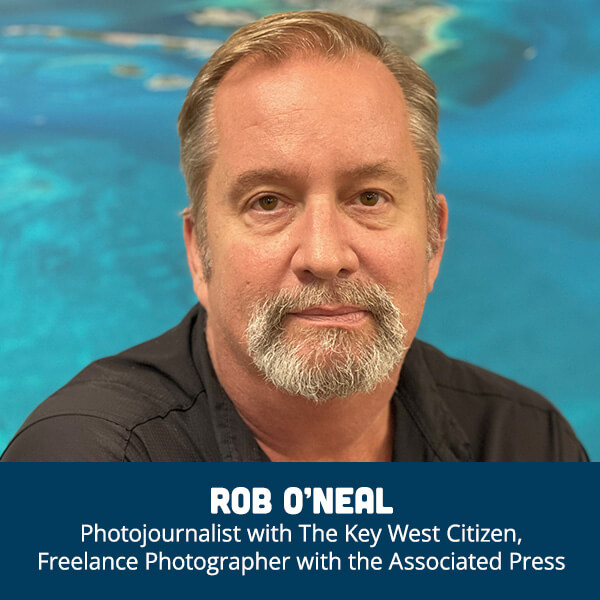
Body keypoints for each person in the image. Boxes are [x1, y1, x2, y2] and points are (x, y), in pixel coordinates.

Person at [1, 11, 588, 462]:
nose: (325, 256)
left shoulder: (525, 447)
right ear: (198, 254)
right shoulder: (88, 467)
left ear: (434, 239)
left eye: (369, 198)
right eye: (268, 202)